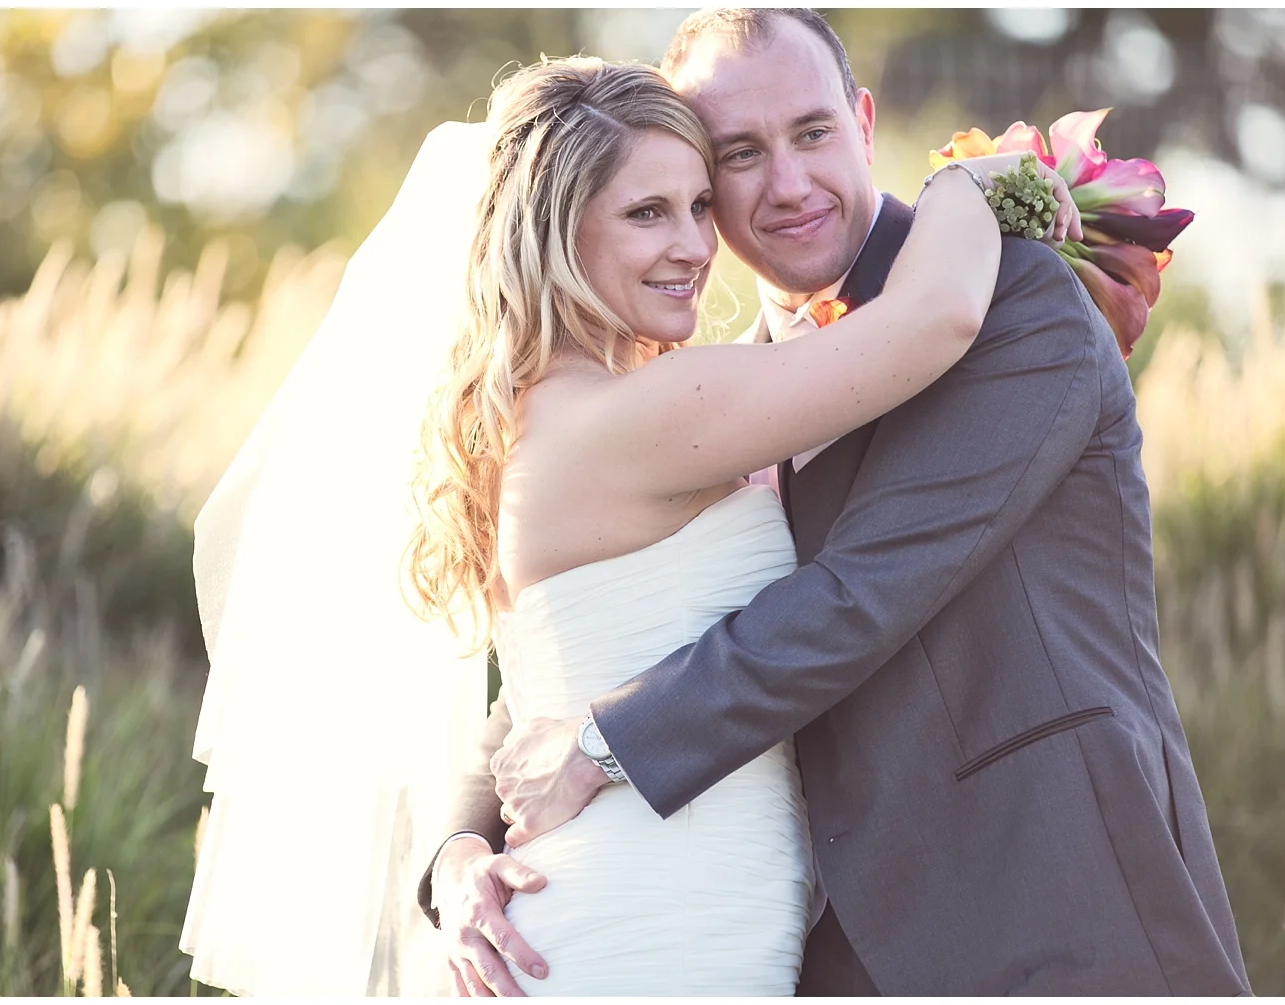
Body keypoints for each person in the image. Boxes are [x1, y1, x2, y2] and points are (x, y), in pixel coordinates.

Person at [180, 43, 1063, 1000]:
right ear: (559, 232)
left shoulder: (533, 416)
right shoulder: (652, 412)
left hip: (640, 910)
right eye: (646, 214)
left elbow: (542, 695)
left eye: (695, 205)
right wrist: (968, 188)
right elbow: (930, 319)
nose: (693, 245)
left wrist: (460, 840)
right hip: (656, 923)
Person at [423, 8, 1252, 998]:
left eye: (812, 133)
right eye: (737, 154)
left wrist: (604, 747)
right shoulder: (721, 392)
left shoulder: (1015, 303)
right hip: (806, 947)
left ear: (863, 123)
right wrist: (461, 847)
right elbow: (567, 654)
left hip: (1050, 907)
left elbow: (869, 586)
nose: (785, 183)